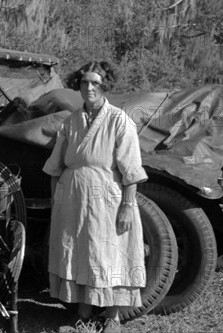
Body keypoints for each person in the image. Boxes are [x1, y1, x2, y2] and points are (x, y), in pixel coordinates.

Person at [43, 62, 147, 333]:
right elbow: (56, 166)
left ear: (105, 86)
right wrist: (57, 200)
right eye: (84, 82)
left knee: (110, 254)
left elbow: (132, 171)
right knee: (79, 253)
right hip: (73, 200)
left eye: (95, 83)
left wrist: (127, 206)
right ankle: (84, 313)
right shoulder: (71, 121)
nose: (89, 88)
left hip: (107, 199)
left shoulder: (119, 120)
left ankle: (112, 316)